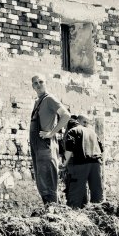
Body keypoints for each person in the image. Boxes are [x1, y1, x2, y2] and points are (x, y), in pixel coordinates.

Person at [29, 75, 70, 204]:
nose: (38, 85)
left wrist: (51, 133)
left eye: (41, 82)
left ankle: (55, 211)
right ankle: (49, 210)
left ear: (46, 83)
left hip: (46, 146)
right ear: (33, 86)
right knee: (41, 183)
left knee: (49, 183)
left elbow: (66, 115)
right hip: (37, 148)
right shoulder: (38, 102)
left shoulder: (49, 99)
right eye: (35, 83)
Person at [64, 114, 104, 208]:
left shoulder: (73, 131)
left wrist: (64, 163)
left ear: (78, 121)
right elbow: (101, 149)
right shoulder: (93, 132)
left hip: (81, 163)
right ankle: (99, 211)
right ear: (83, 122)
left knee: (76, 190)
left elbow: (69, 149)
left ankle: (73, 212)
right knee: (97, 190)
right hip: (96, 163)